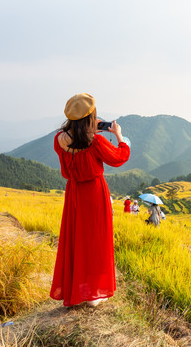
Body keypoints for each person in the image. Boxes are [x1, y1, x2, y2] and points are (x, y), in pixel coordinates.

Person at [50, 93, 130, 308]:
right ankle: (94, 293)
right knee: (96, 238)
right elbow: (119, 158)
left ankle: (76, 289)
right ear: (90, 116)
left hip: (74, 191)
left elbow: (66, 171)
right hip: (95, 192)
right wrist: (120, 137)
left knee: (76, 238)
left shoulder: (59, 140)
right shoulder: (95, 142)